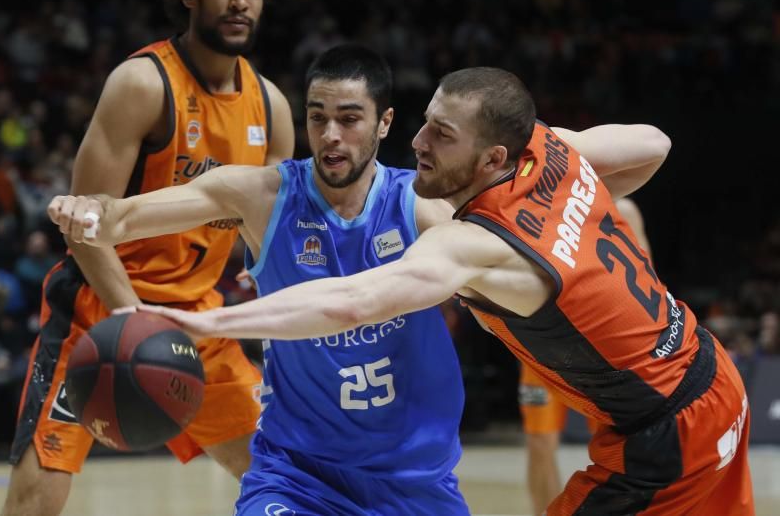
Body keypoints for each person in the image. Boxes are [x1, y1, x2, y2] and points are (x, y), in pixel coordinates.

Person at [85, 67, 752, 515]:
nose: (419, 142)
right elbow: (653, 143)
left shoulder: (478, 242)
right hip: (711, 380)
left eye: (443, 135)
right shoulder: (552, 155)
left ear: (494, 158)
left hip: (664, 433)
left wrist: (204, 325)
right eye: (426, 121)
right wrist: (570, 189)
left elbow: (349, 302)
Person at [52, 43, 470, 514]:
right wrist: (88, 211)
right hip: (295, 475)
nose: (330, 135)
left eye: (349, 120)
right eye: (317, 118)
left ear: (385, 123)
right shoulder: (264, 196)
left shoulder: (421, 211)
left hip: (414, 481)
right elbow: (123, 218)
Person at [2, 0, 299, 516]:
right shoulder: (142, 83)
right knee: (35, 503)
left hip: (199, 319)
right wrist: (130, 318)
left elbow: (274, 242)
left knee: (287, 480)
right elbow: (86, 225)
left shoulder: (270, 107)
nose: (241, 1)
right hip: (99, 312)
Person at [519, 197, 649, 516]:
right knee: (539, 443)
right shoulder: (533, 207)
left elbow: (648, 280)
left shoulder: (624, 209)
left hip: (605, 348)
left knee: (620, 450)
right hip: (543, 346)